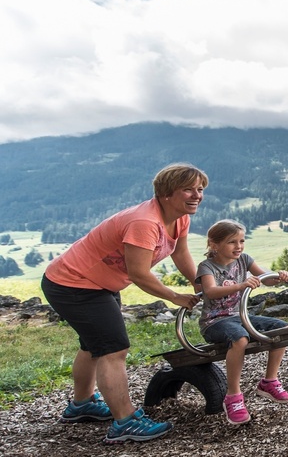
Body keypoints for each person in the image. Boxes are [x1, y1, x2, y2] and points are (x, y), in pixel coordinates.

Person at [41, 163, 207, 444]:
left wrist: (198, 281)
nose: (197, 195)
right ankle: (125, 422)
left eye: (200, 189)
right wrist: (175, 296)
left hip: (98, 283)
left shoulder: (179, 217)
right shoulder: (145, 222)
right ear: (166, 193)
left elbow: (180, 253)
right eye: (188, 189)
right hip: (74, 284)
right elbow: (139, 274)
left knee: (94, 344)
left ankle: (81, 405)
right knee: (114, 348)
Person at [196, 219, 288, 425]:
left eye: (241, 241)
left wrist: (279, 277)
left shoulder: (244, 259)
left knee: (282, 328)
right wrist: (240, 286)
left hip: (239, 317)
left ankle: (269, 381)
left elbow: (266, 278)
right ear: (214, 245)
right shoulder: (206, 267)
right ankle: (233, 396)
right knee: (240, 339)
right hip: (214, 322)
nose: (238, 246)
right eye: (232, 242)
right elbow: (211, 291)